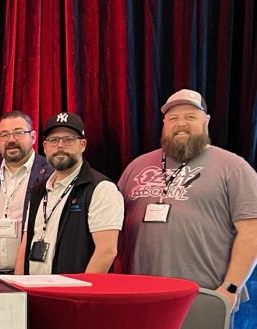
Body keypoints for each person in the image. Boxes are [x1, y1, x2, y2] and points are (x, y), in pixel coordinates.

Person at [118, 89, 257, 309]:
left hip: (204, 297)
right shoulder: (136, 167)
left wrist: (230, 288)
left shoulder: (234, 167)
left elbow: (252, 231)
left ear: (206, 121)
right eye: (173, 118)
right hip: (139, 296)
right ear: (164, 123)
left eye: (190, 117)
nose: (181, 123)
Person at [15, 112, 124, 275]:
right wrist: (19, 289)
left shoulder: (101, 189)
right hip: (35, 292)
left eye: (68, 139)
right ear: (45, 147)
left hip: (72, 296)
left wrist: (80, 296)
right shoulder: (39, 189)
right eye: (54, 140)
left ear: (83, 145)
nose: (60, 146)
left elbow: (107, 251)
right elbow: (26, 241)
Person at [0, 111, 52, 275]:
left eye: (18, 133)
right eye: (4, 135)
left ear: (33, 137)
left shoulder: (51, 173)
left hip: (32, 275)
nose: (11, 140)